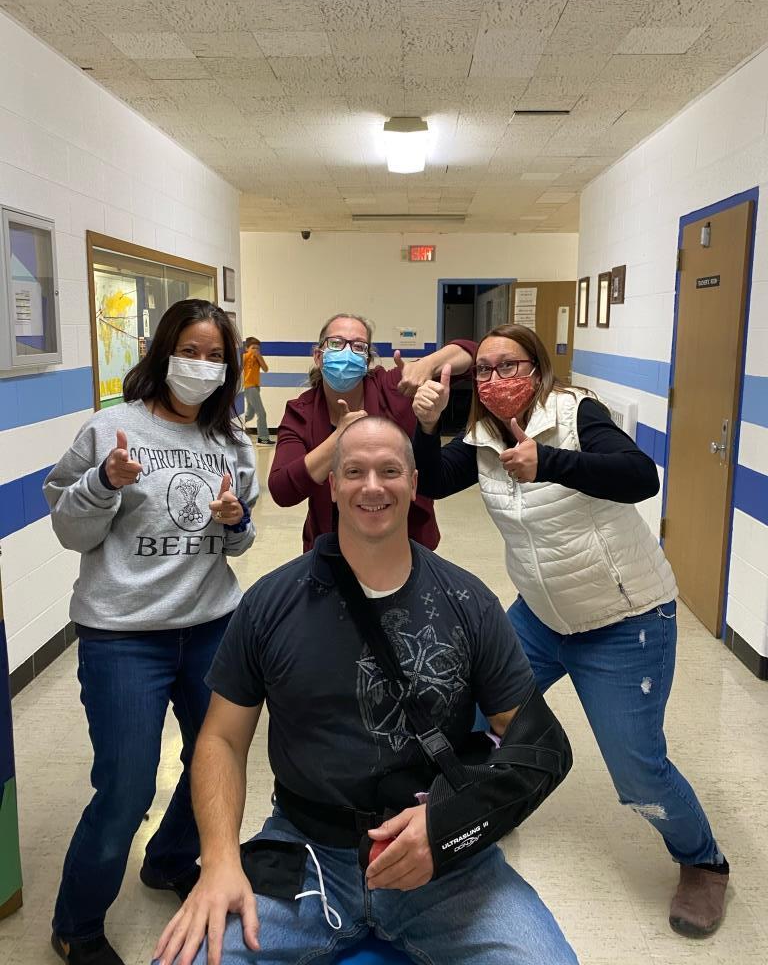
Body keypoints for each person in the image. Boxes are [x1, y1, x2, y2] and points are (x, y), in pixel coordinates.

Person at [152, 416, 578, 965]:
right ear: (332, 485)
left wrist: (449, 827)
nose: (372, 486)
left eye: (389, 471)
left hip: (437, 854)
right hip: (305, 853)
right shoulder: (269, 604)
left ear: (414, 482)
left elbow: (536, 745)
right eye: (354, 472)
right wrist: (218, 863)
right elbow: (222, 741)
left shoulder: (468, 602)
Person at [411, 323, 729, 938]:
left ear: (537, 368)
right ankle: (481, 810)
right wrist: (425, 428)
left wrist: (549, 461)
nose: (496, 379)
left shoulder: (575, 412)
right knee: (468, 714)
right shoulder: (481, 438)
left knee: (637, 769)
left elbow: (640, 476)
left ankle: (703, 862)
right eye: (486, 369)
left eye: (510, 365)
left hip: (624, 620)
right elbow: (433, 482)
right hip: (540, 617)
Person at [44, 299, 259, 965]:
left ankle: (169, 860)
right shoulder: (111, 429)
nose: (201, 365)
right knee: (127, 787)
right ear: (164, 352)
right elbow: (70, 529)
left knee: (214, 761)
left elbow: (239, 541)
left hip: (211, 626)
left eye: (215, 356)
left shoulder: (231, 440)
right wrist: (104, 481)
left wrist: (233, 521)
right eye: (189, 351)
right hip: (123, 637)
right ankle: (77, 925)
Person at [267, 312, 476, 551]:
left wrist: (427, 364)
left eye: (358, 346)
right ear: (318, 356)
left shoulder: (394, 387)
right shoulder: (301, 412)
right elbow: (282, 490)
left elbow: (474, 354)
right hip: (331, 549)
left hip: (405, 544)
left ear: (367, 361)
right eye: (336, 343)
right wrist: (339, 439)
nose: (346, 352)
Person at [242, 337, 273, 446]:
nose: (255, 350)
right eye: (253, 348)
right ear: (247, 348)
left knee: (249, 415)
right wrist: (250, 354)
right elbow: (240, 364)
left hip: (255, 387)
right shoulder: (245, 356)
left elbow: (265, 369)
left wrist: (259, 357)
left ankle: (231, 427)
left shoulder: (259, 357)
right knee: (262, 413)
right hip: (249, 387)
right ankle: (263, 438)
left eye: (258, 348)